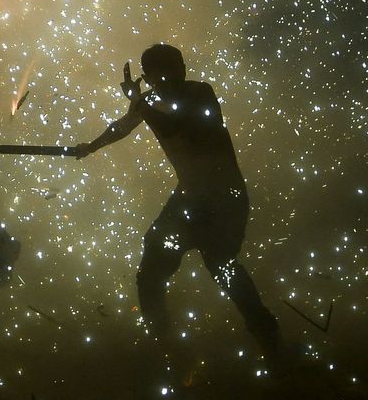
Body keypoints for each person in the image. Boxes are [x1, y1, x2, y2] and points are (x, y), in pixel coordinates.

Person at [72, 44, 281, 357]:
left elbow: (175, 126)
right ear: (151, 77)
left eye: (177, 67)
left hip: (222, 199)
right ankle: (164, 345)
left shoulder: (199, 94)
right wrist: (92, 146)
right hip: (192, 198)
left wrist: (138, 102)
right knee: (154, 269)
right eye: (165, 71)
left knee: (222, 266)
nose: (175, 75)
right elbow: (125, 125)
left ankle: (271, 344)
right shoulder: (151, 101)